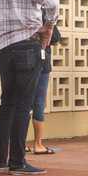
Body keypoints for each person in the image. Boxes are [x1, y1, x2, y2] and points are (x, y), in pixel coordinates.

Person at [0, 0, 58, 175]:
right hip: (26, 46)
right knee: (23, 105)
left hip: (3, 48)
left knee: (7, 104)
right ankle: (18, 161)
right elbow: (52, 3)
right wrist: (48, 27)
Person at [28, 14, 62, 155]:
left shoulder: (21, 13)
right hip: (41, 62)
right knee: (39, 102)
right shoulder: (43, 15)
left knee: (23, 103)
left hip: (23, 59)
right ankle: (38, 143)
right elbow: (55, 37)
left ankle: (18, 143)